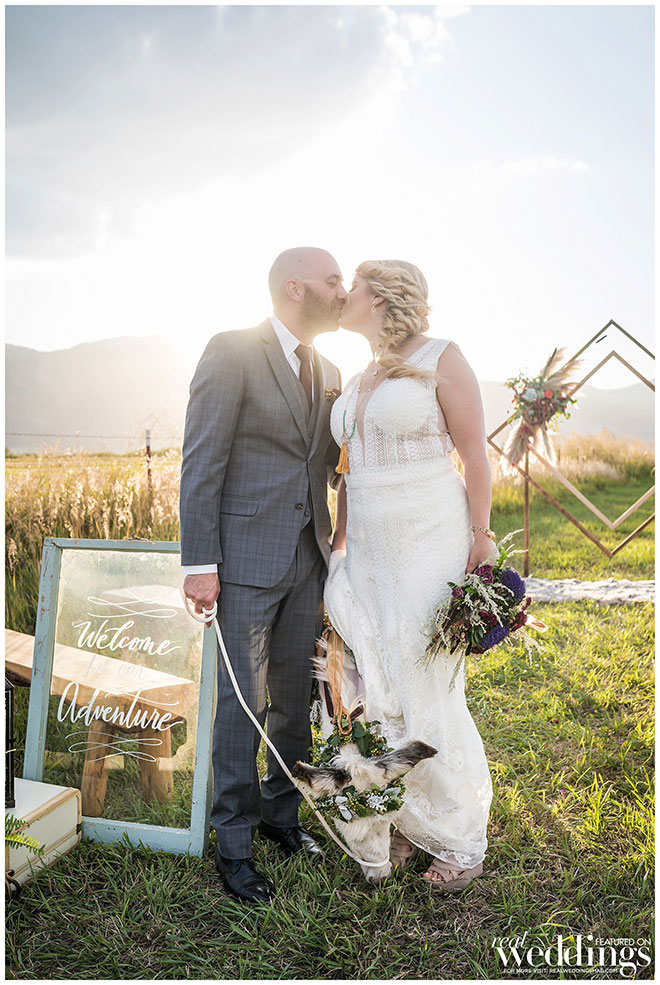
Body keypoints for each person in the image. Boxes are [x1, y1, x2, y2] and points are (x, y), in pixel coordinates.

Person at [179, 247, 346, 904]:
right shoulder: (232, 351)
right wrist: (200, 564)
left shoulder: (331, 370)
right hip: (243, 561)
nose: (343, 290)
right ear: (295, 288)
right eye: (333, 280)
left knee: (294, 700)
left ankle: (281, 815)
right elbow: (202, 460)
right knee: (240, 707)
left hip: (308, 559)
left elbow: (328, 463)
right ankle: (235, 842)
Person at [324, 259, 494, 892]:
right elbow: (348, 469)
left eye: (353, 286)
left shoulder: (443, 356)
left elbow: (474, 453)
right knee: (378, 682)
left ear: (380, 297)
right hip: (370, 549)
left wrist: (481, 535)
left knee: (424, 679)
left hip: (430, 535)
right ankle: (396, 817)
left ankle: (458, 834)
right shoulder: (359, 375)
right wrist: (339, 545)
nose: (343, 295)